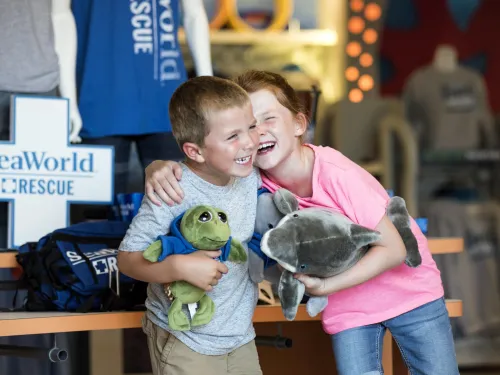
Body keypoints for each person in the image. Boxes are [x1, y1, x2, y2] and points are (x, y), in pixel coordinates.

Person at [142, 70, 460, 375]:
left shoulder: (336, 173)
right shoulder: (252, 181)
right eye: (249, 125)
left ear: (298, 124)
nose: (260, 131)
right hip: (349, 308)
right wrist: (157, 166)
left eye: (269, 118)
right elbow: (201, 170)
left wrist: (326, 286)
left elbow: (393, 248)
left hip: (409, 292)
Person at [117, 75, 263, 375]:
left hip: (240, 338)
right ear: (194, 151)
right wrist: (177, 268)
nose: (249, 141)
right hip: (185, 339)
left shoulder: (252, 176)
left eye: (251, 126)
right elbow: (126, 259)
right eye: (232, 136)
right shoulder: (172, 189)